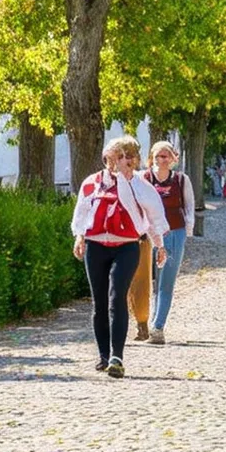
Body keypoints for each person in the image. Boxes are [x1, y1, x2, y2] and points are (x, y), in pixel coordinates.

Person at [71, 135, 168, 378]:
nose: (119, 161)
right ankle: (103, 355)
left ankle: (117, 356)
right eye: (115, 156)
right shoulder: (92, 183)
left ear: (133, 160)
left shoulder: (139, 185)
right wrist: (79, 237)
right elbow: (82, 212)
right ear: (106, 158)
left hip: (126, 247)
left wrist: (159, 245)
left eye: (125, 156)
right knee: (100, 302)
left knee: (117, 298)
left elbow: (154, 216)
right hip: (96, 246)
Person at [131, 140, 196, 346]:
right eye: (158, 156)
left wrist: (187, 232)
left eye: (166, 156)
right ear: (152, 158)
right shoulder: (143, 178)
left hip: (173, 232)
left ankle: (158, 327)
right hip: (146, 235)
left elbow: (189, 207)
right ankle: (142, 323)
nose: (162, 159)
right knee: (142, 281)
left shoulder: (181, 180)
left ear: (173, 158)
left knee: (165, 282)